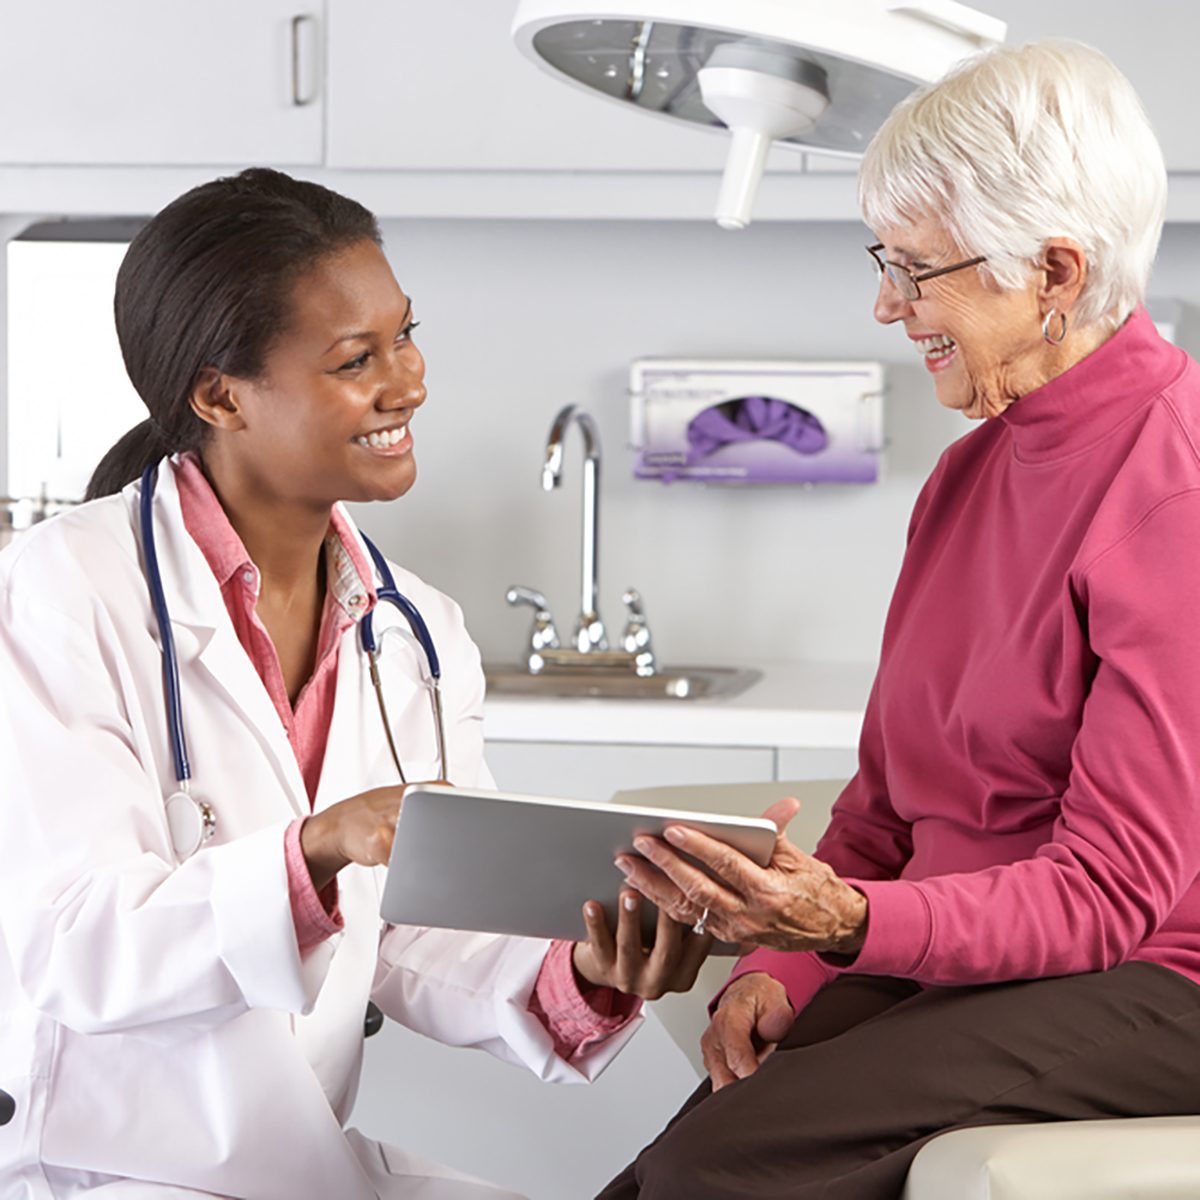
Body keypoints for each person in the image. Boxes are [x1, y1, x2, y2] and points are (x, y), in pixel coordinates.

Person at [0, 168, 711, 1199]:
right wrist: (324, 848)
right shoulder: (62, 590)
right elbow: (77, 943)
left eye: (406, 337)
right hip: (97, 1162)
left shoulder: (415, 632)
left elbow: (424, 930)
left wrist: (588, 973)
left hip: (295, 1157)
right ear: (219, 396)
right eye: (355, 359)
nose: (408, 382)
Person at [599, 39, 1200, 1200]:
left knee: (709, 1177)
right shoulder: (969, 478)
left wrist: (845, 921)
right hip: (989, 957)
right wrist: (782, 959)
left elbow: (1109, 894)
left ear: (1056, 273)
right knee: (651, 1179)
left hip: (1154, 974)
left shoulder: (1175, 492)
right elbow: (881, 806)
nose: (886, 304)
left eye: (917, 269)